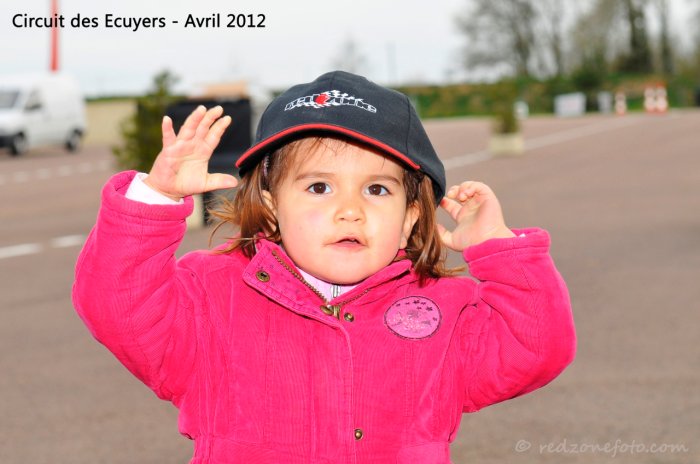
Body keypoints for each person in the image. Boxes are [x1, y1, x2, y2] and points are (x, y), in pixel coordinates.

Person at [73, 71, 576, 464]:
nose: (349, 210)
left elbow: (538, 349)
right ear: (271, 206)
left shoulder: (444, 311)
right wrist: (154, 199)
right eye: (319, 187)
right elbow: (118, 305)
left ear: (410, 217)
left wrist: (498, 247)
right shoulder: (211, 297)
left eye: (377, 189)